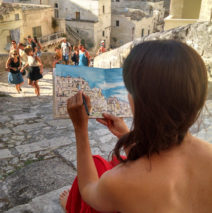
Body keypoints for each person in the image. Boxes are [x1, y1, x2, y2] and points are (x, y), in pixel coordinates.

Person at [60, 40, 212, 213]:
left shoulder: (120, 182)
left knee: (97, 168)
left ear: (140, 103)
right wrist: (126, 135)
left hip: (115, 193)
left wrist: (80, 128)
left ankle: (71, 207)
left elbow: (88, 190)